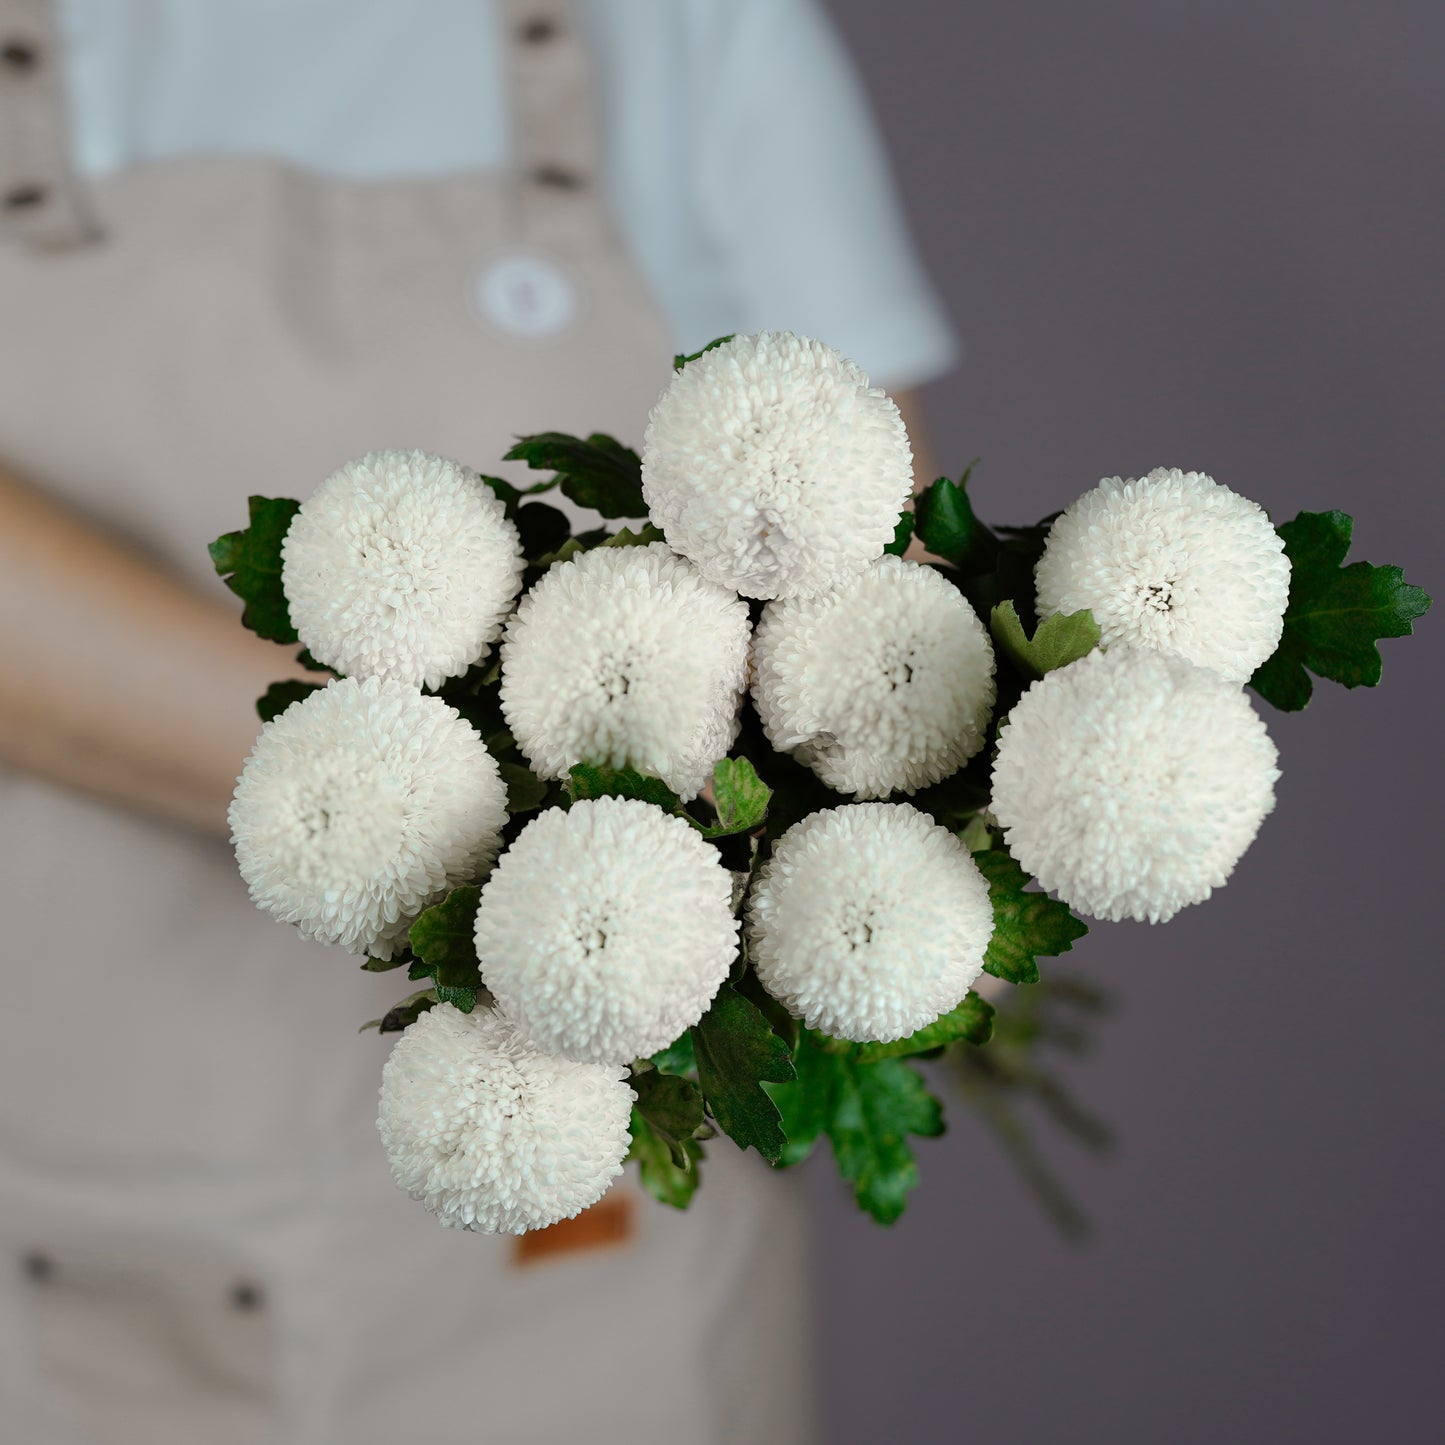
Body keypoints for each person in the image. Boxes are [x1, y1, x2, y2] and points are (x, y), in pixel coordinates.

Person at [0, 3, 958, 1440]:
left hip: (606, 1272)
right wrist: (482, 823)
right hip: (93, 1240)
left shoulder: (695, 29)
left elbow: (878, 617)